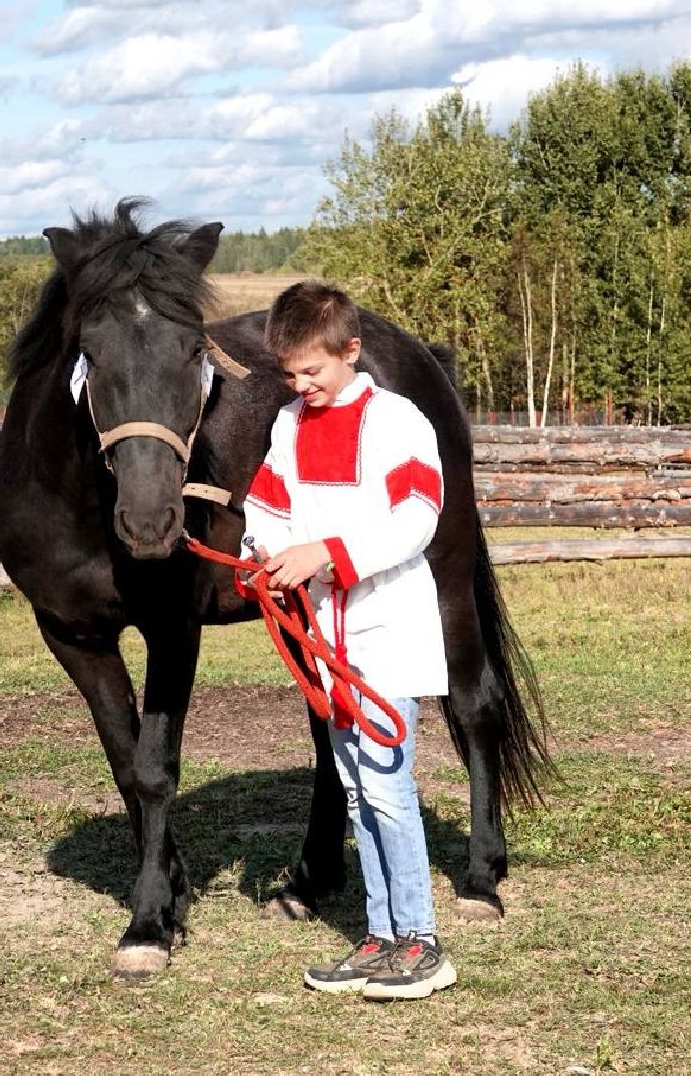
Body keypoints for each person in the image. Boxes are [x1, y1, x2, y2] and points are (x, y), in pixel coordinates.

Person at [240, 280, 455, 1002]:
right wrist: (264, 556)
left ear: (350, 351)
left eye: (313, 372)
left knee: (388, 787)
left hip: (384, 621)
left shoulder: (398, 422)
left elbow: (417, 516)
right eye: (290, 374)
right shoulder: (289, 424)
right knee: (358, 792)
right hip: (322, 629)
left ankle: (421, 944)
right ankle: (379, 936)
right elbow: (266, 505)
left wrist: (325, 554)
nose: (301, 386)